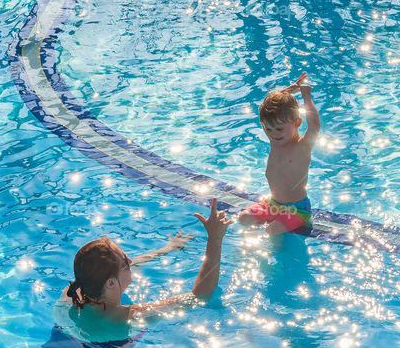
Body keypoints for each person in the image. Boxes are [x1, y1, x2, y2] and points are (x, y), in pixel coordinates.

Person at [59, 198, 233, 322]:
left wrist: (166, 249)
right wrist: (215, 240)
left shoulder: (73, 292)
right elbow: (200, 296)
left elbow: (115, 267)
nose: (131, 260)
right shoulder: (130, 316)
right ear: (110, 283)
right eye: (126, 262)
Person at [238, 71, 320, 235]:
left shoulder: (301, 147)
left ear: (297, 123)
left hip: (297, 210)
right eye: (268, 129)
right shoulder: (276, 141)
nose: (274, 133)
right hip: (273, 204)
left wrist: (306, 96)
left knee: (273, 230)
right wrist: (292, 89)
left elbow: (314, 126)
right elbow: (268, 105)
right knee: (243, 218)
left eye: (279, 129)